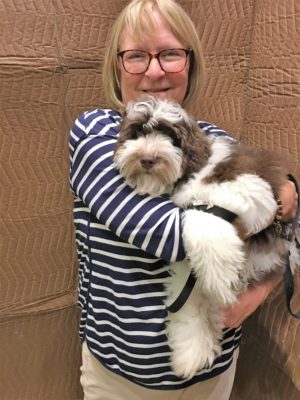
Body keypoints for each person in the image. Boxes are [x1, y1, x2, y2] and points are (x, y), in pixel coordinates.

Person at [69, 1, 297, 399]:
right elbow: (172, 237)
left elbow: (290, 232)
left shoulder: (213, 138)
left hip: (214, 372)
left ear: (190, 63)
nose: (154, 71)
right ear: (116, 65)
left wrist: (256, 293)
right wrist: (278, 202)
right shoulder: (96, 134)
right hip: (122, 380)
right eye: (137, 55)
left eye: (170, 53)